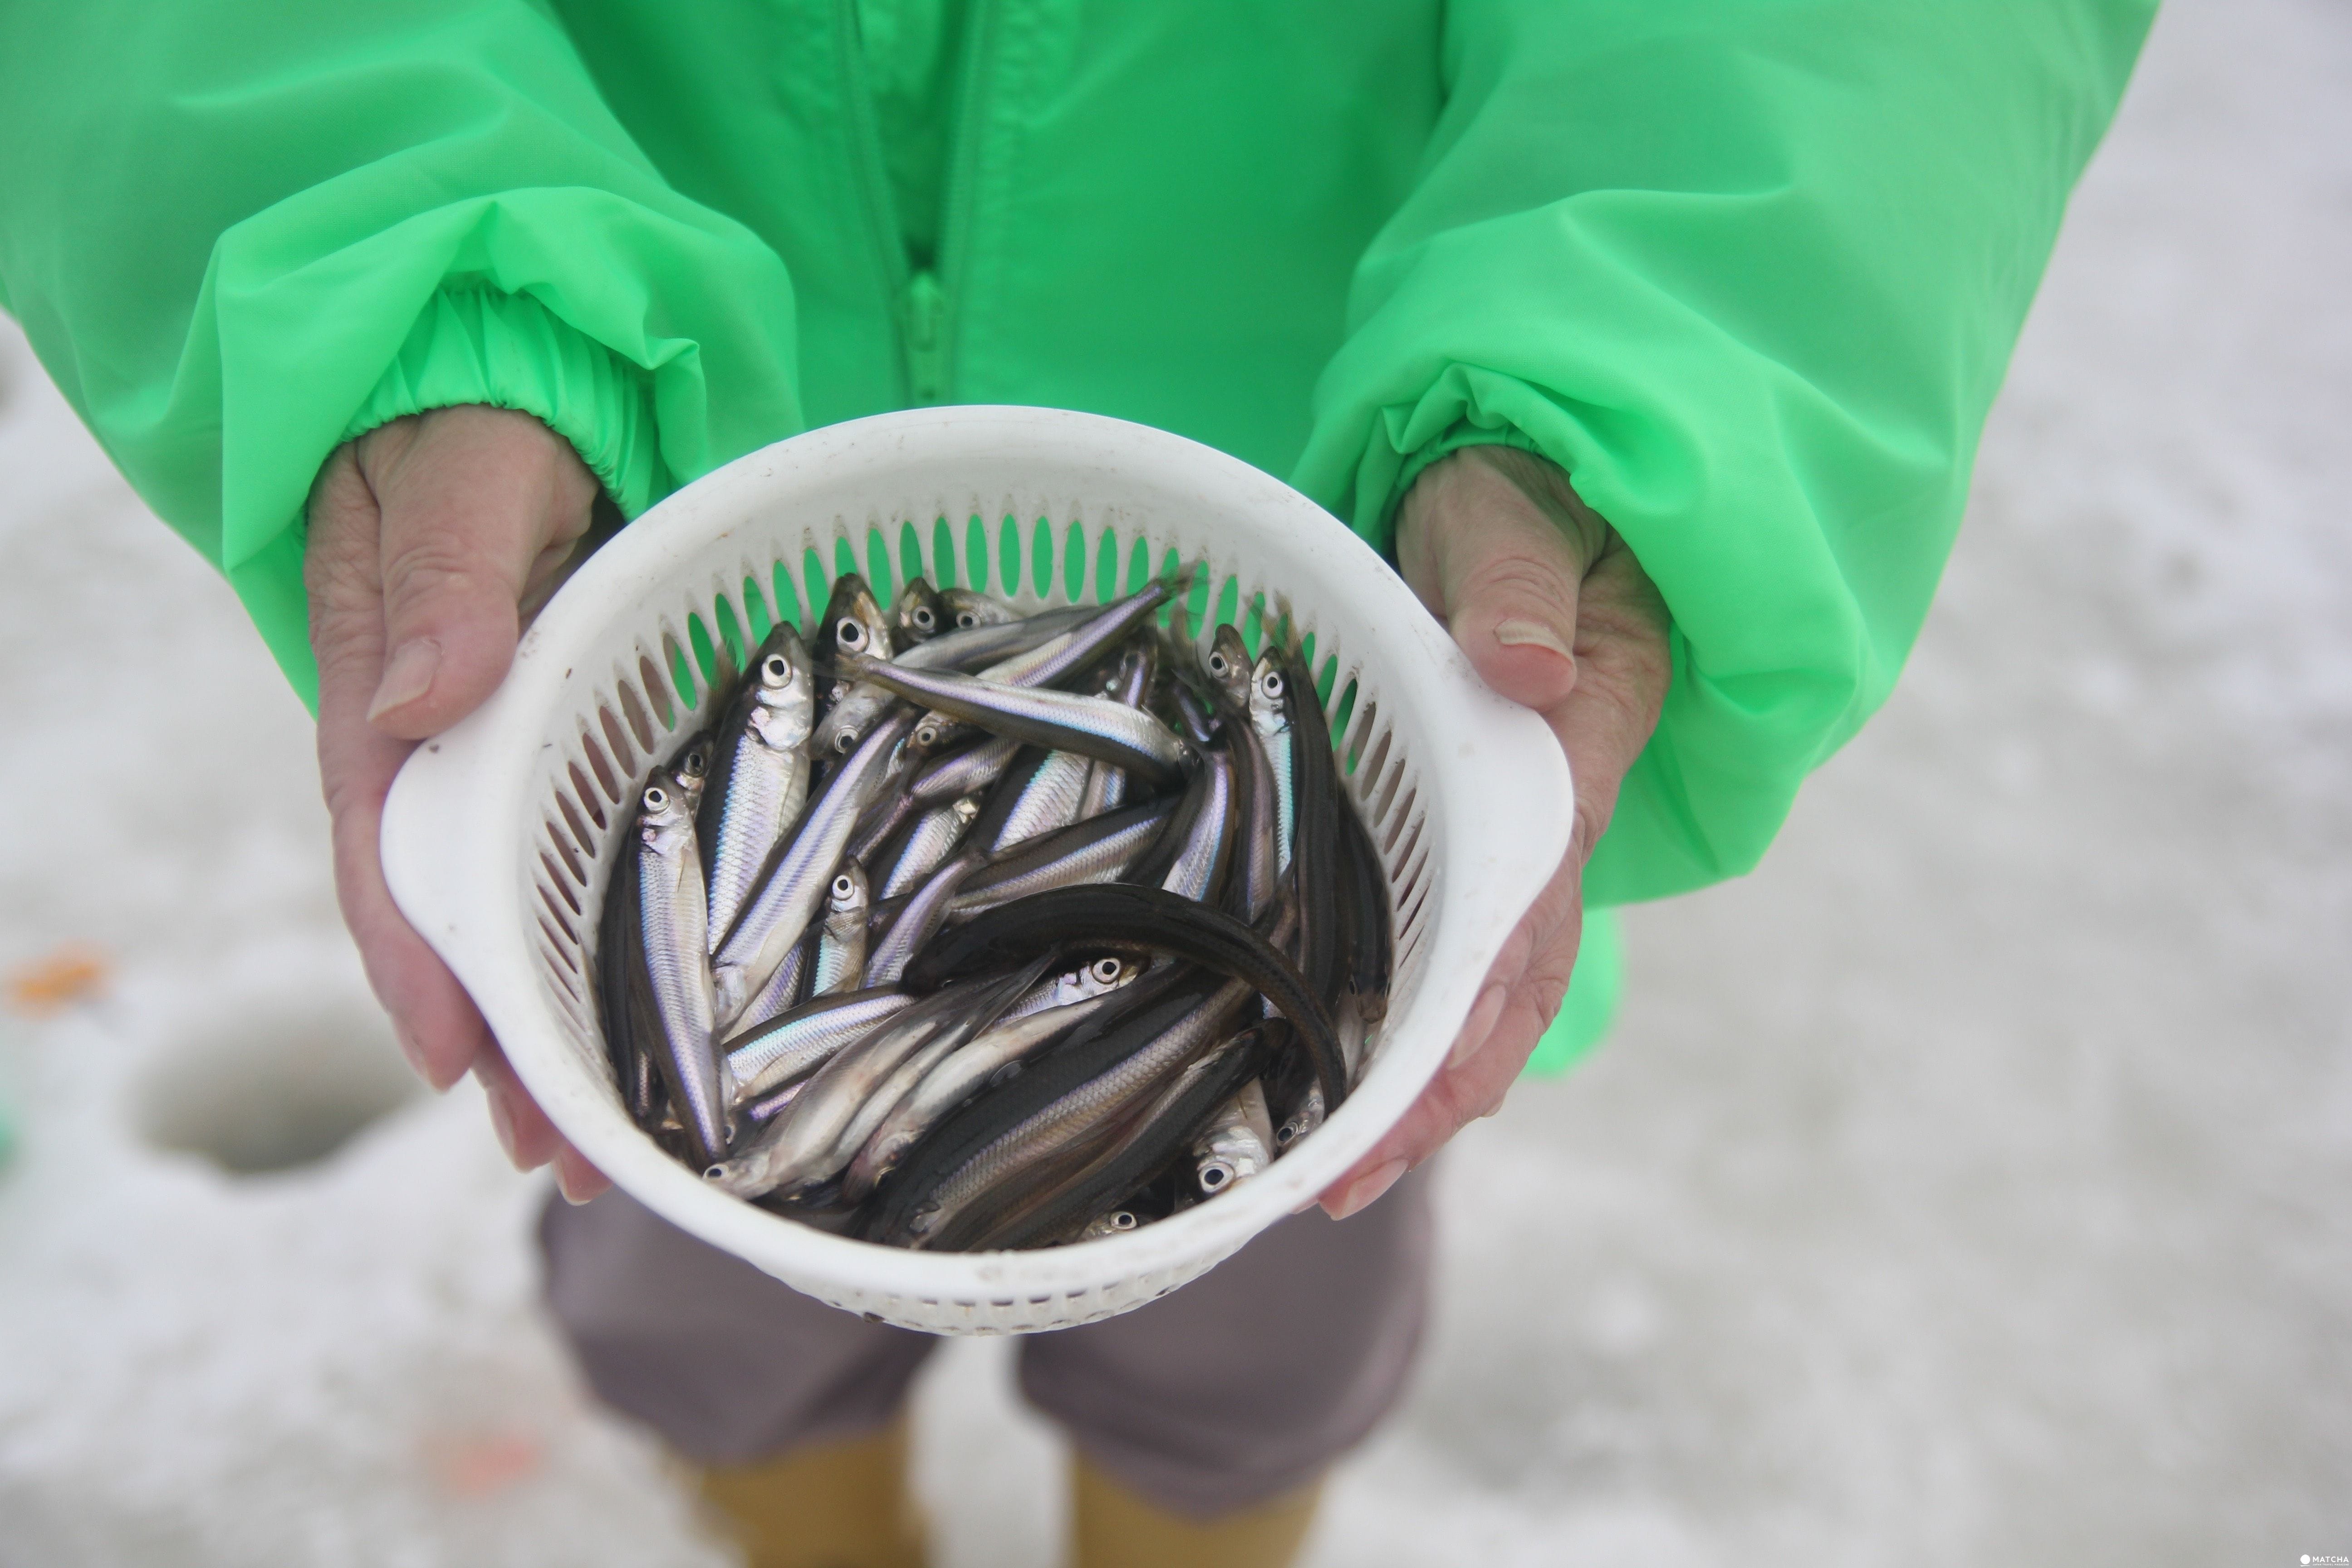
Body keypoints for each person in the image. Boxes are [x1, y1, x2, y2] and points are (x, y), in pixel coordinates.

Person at [0, 3, 2153, 1563]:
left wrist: (1634, 399)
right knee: (699, 1316)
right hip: (645, 488)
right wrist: (410, 312)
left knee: (1256, 1347)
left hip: (1361, 523)